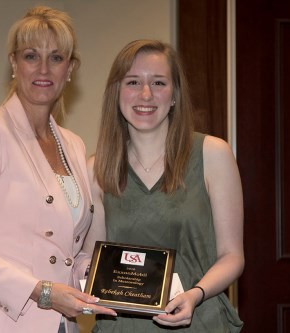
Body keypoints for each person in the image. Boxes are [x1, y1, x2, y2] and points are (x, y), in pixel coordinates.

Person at [0, 6, 116, 333]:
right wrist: (42, 292)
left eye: (57, 58)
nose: (43, 68)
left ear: (71, 68)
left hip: (59, 325)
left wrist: (115, 283)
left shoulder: (73, 145)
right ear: (14, 64)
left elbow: (66, 255)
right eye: (32, 56)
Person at [86, 39, 244, 332]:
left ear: (175, 95)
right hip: (121, 327)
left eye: (159, 83)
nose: (146, 94)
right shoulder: (96, 168)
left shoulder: (213, 154)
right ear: (116, 93)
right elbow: (91, 257)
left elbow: (232, 256)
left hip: (198, 322)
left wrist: (195, 295)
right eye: (133, 81)